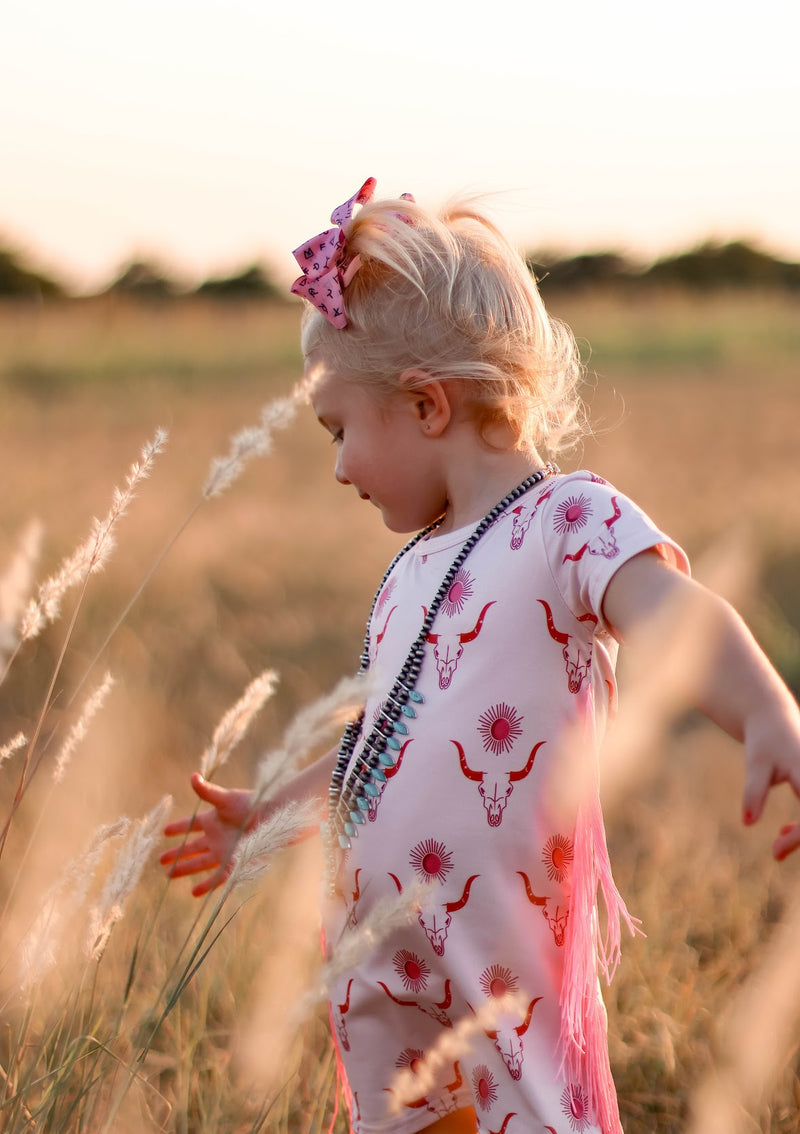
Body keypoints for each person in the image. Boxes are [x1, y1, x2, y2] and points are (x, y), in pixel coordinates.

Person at [161, 179, 800, 1134]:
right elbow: (377, 747)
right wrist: (272, 810)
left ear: (426, 405)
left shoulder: (565, 522)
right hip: (382, 958)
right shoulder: (411, 568)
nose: (337, 467)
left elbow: (678, 617)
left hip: (501, 957)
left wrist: (767, 713)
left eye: (340, 430)